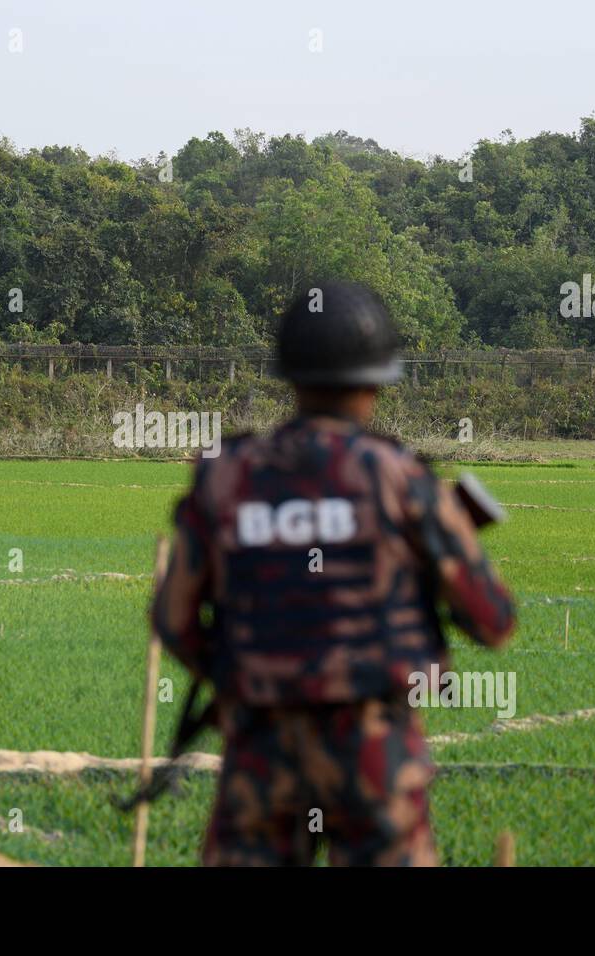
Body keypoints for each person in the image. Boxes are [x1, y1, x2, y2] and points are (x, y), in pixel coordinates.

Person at [151, 281, 516, 866]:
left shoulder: (226, 478)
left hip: (260, 751)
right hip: (373, 753)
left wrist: (245, 673)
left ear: (288, 376)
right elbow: (493, 620)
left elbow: (173, 620)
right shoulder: (400, 480)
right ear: (377, 380)